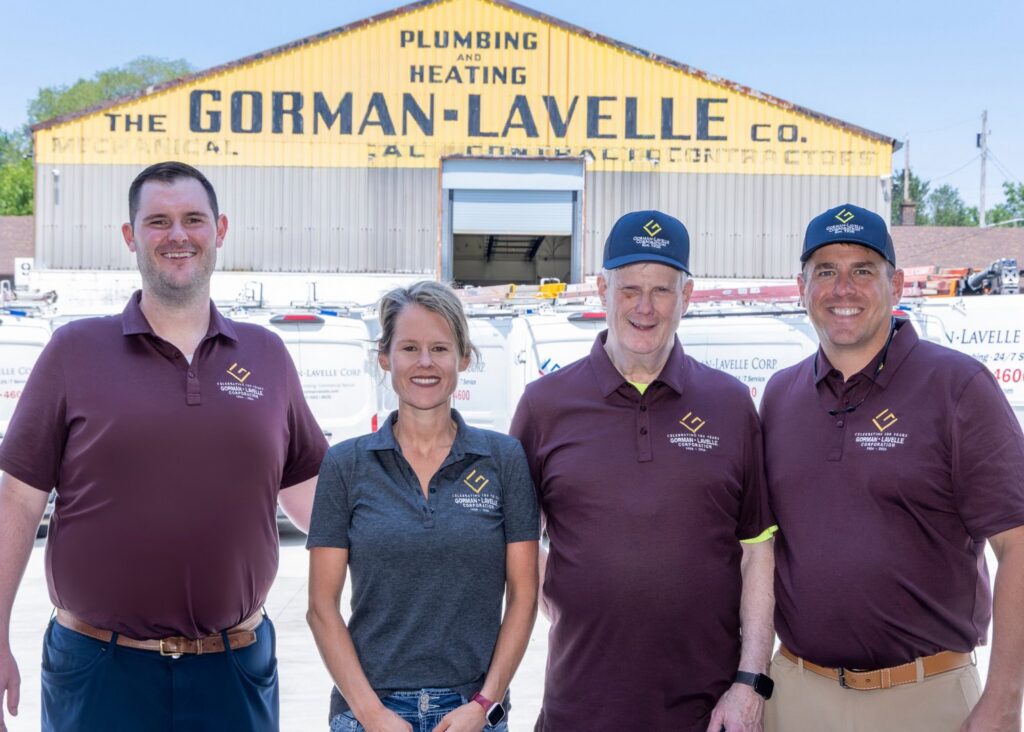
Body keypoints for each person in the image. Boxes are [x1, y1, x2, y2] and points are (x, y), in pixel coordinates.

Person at [0, 161, 328, 732]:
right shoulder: (74, 351)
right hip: (97, 670)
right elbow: (18, 504)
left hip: (234, 668)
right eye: (158, 221)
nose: (178, 235)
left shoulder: (267, 355)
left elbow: (317, 501)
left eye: (193, 219)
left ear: (219, 230)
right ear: (130, 236)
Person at [510, 210, 777, 732]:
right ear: (602, 288)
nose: (645, 307)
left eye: (662, 290)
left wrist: (750, 683)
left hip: (709, 711)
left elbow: (758, 550)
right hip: (579, 707)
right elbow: (515, 546)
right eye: (630, 288)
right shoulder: (545, 406)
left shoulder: (729, 404)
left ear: (688, 295)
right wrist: (572, 603)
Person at [761, 203, 1024, 731]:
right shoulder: (780, 396)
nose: (843, 289)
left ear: (897, 284)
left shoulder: (958, 388)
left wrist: (1003, 701)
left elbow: (1017, 546)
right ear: (801, 286)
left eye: (863, 270)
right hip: (795, 695)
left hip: (925, 698)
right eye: (826, 272)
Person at [306, 280, 539, 732]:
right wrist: (372, 714)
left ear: (464, 358)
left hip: (471, 712)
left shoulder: (504, 459)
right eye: (409, 347)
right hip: (369, 710)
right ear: (384, 358)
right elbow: (320, 606)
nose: (426, 363)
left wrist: (484, 705)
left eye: (440, 347)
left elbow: (524, 597)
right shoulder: (346, 464)